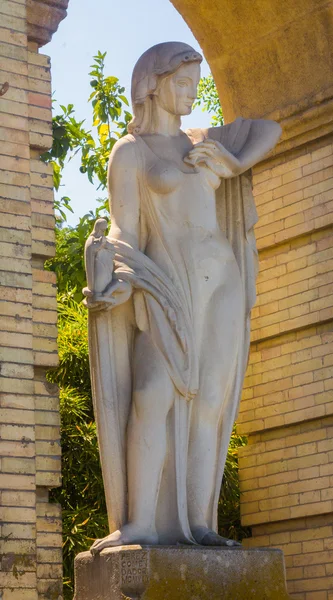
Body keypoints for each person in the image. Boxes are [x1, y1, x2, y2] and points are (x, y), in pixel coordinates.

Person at [86, 41, 281, 554]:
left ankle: (200, 526)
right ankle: (140, 525)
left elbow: (270, 129)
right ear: (152, 84)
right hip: (168, 284)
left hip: (221, 283)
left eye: (196, 81)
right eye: (181, 81)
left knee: (211, 404)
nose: (192, 90)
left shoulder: (204, 140)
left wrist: (233, 163)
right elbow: (126, 232)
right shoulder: (133, 152)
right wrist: (118, 279)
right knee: (152, 392)